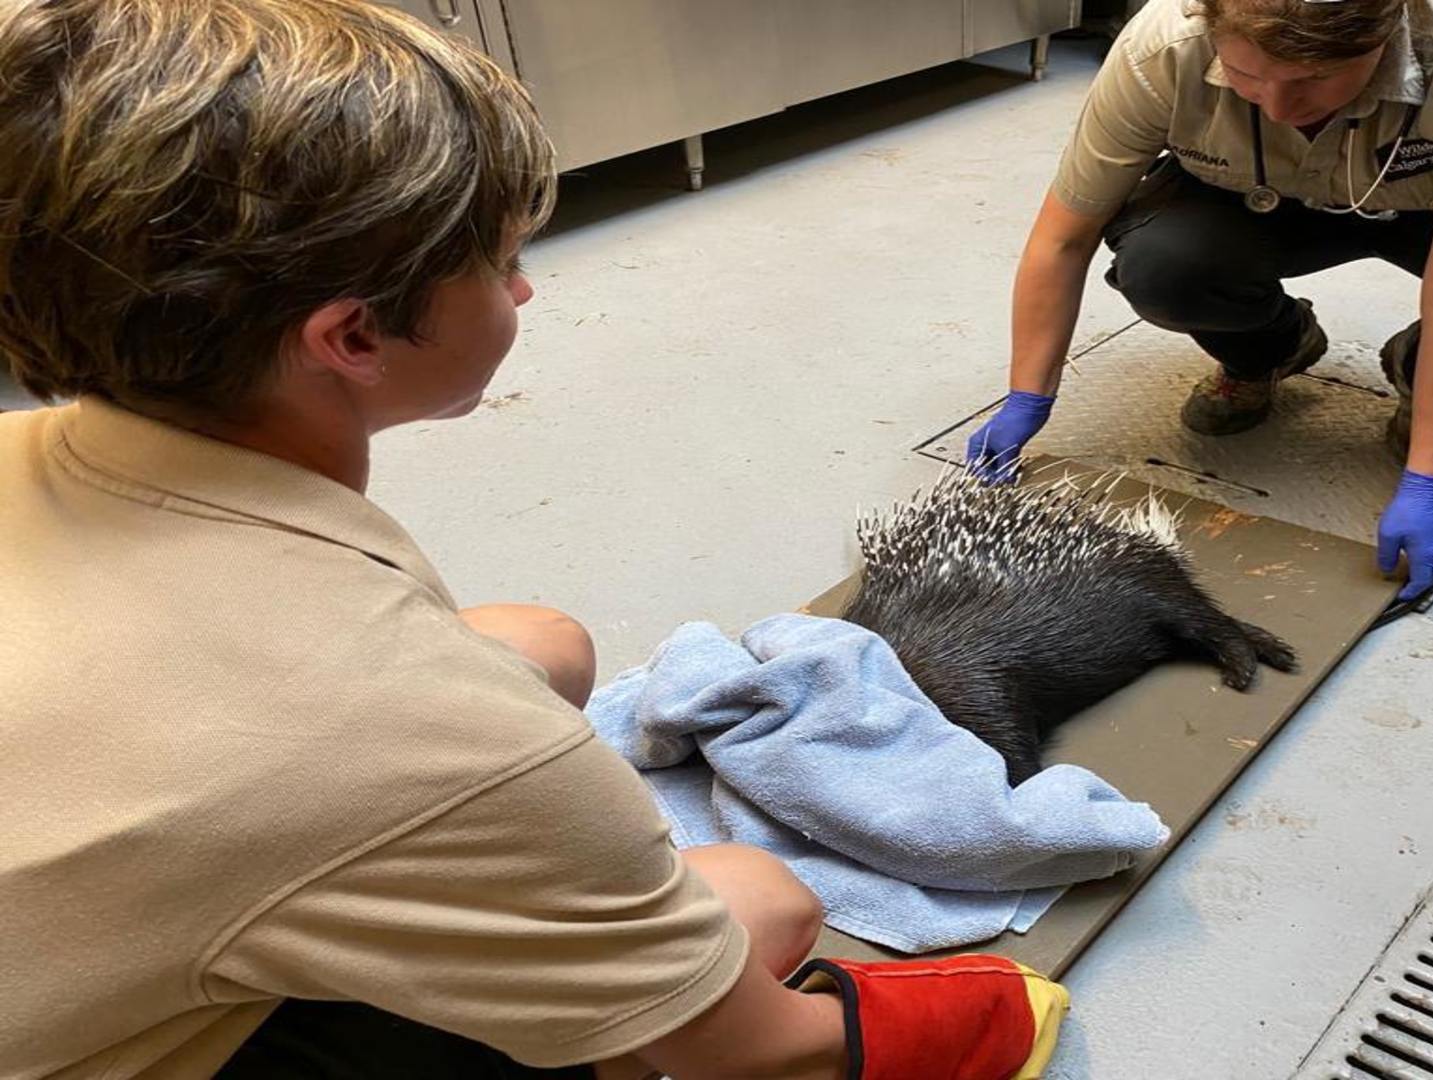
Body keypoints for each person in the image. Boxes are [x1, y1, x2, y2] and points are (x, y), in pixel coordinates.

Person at [0, 2, 1065, 1077]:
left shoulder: (28, 454)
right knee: (764, 903)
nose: (523, 287)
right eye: (502, 259)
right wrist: (989, 1011)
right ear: (352, 333)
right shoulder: (411, 727)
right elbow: (763, 1053)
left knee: (539, 641)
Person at [965, 0, 1433, 598]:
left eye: (1313, 80)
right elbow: (1063, 238)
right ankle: (1267, 349)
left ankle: (1422, 380)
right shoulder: (1164, 43)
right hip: (1262, 189)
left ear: (1385, 37)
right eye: (1244, 75)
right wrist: (1029, 397)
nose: (1278, 106)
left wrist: (1427, 479)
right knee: (1162, 265)